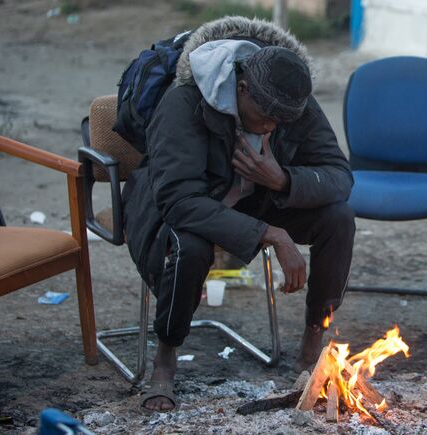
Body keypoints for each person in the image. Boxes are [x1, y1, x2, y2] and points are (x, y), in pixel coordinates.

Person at [121, 16, 355, 412]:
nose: (272, 127)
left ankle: (314, 339)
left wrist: (281, 179)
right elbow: (179, 200)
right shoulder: (187, 100)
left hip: (254, 197)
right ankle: (165, 357)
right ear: (241, 87)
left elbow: (339, 175)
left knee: (339, 218)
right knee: (190, 245)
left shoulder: (288, 99)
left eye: (282, 121)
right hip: (176, 207)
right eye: (265, 116)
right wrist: (272, 234)